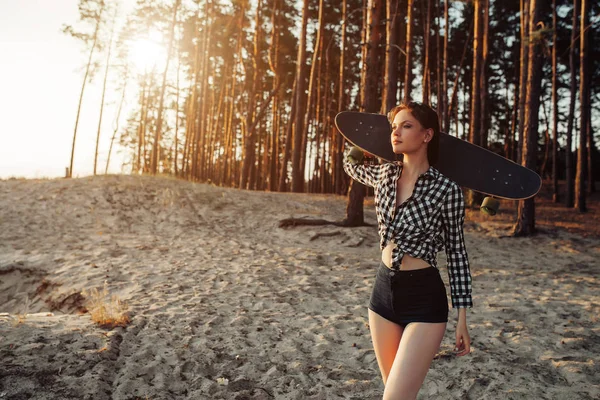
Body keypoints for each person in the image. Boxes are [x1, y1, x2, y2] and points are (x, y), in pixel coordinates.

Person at [343, 101, 472, 399]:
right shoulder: (385, 175)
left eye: (406, 126)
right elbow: (352, 168)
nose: (396, 133)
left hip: (424, 301)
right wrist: (353, 150)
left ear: (427, 135)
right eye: (393, 127)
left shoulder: (447, 190)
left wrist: (462, 316)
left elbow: (457, 252)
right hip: (382, 295)